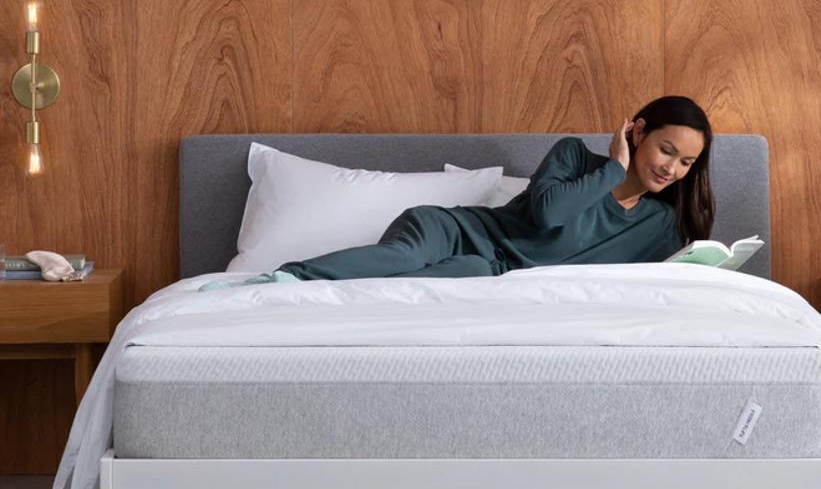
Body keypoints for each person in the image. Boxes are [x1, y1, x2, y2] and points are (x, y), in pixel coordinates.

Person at [199, 95, 714, 291]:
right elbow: (550, 216)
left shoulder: (659, 223)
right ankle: (277, 281)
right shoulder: (574, 156)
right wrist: (613, 167)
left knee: (423, 290)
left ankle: (325, 301)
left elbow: (643, 283)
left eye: (686, 162)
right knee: (399, 258)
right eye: (666, 150)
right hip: (455, 230)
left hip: (494, 272)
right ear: (638, 131)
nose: (672, 168)